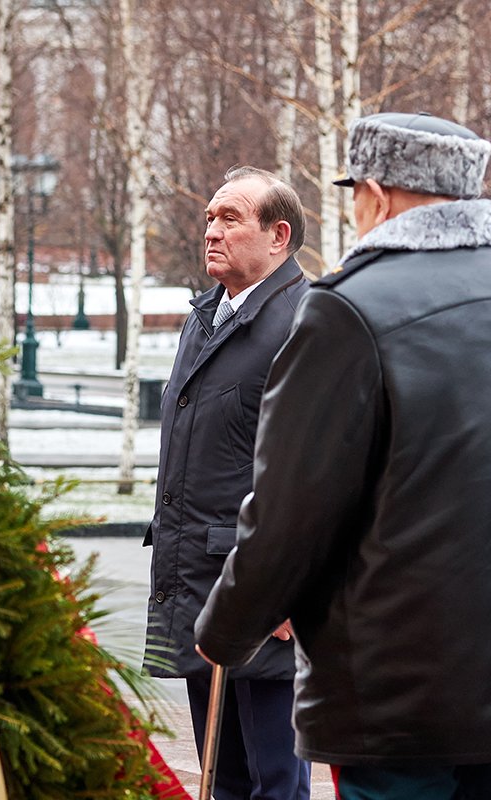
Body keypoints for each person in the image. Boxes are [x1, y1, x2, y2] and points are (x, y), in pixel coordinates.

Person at [195, 112, 491, 800]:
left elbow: (293, 510)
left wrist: (225, 631)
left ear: (378, 196)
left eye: (356, 194)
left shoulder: (347, 309)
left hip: (403, 691)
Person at [143, 166, 309, 800]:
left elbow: (313, 467)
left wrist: (292, 585)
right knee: (224, 777)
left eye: (231, 219)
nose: (211, 231)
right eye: (209, 218)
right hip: (200, 584)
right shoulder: (207, 313)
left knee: (275, 781)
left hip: (265, 596)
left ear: (278, 236)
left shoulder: (304, 319)